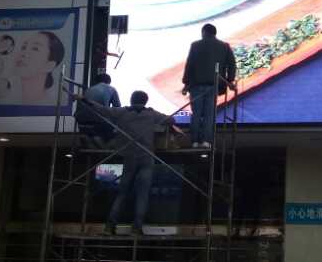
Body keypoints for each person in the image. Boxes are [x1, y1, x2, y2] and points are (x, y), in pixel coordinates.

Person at [85, 90, 167, 236]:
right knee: (142, 195)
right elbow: (171, 120)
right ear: (145, 101)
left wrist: (84, 99)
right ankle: (136, 228)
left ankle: (109, 227)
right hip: (146, 156)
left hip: (129, 157)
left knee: (122, 194)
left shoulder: (122, 112)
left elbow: (101, 109)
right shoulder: (151, 114)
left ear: (131, 99)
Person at [181, 23, 237, 148]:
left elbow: (189, 65)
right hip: (214, 85)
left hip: (196, 85)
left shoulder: (195, 45)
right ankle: (206, 141)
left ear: (203, 32)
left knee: (196, 114)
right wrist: (230, 80)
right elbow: (232, 64)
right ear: (215, 33)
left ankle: (195, 141)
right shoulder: (224, 46)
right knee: (209, 115)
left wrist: (186, 83)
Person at [14, 31, 65, 102]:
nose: (23, 53)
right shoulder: (10, 99)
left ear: (49, 66)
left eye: (35, 48)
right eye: (23, 47)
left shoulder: (50, 103)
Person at [75, 74, 121, 148]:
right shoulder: (111, 89)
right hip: (99, 119)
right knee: (114, 127)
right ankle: (102, 142)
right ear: (109, 81)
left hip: (82, 121)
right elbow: (117, 108)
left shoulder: (89, 89)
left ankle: (92, 138)